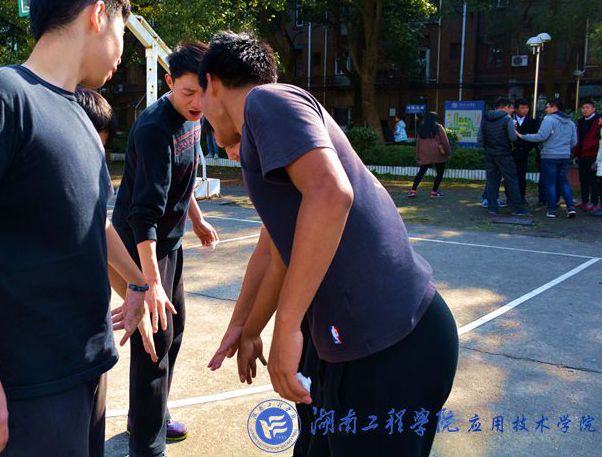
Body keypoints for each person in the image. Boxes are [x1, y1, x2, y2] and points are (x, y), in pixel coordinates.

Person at [0, 0, 159, 457]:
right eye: (122, 31)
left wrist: (137, 284)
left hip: (85, 367)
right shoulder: (0, 95)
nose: (122, 53)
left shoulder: (80, 114)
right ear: (98, 15)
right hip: (27, 384)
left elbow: (90, 222)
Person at [198, 32, 458, 456]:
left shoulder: (266, 101)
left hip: (392, 347)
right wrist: (247, 328)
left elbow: (332, 194)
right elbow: (276, 253)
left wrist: (286, 329)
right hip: (361, 348)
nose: (203, 123)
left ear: (212, 83)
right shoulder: (267, 140)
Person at [111, 41, 219, 457]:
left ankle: (149, 415)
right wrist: (148, 284)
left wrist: (197, 219)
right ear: (169, 82)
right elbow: (143, 214)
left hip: (168, 241)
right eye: (188, 92)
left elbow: (183, 178)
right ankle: (147, 445)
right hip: (140, 245)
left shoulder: (194, 119)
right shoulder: (155, 130)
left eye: (203, 93)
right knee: (154, 341)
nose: (197, 103)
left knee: (174, 333)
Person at [518, 99, 578, 219]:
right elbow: (574, 142)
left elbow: (541, 136)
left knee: (550, 183)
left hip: (550, 155)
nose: (545, 109)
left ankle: (552, 210)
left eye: (547, 107)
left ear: (554, 108)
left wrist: (522, 136)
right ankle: (571, 208)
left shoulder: (548, 119)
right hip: (565, 156)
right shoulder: (570, 122)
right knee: (563, 182)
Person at [477, 98, 529, 216]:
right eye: (511, 108)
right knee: (511, 180)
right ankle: (517, 208)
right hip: (504, 154)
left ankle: (492, 208)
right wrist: (514, 130)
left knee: (491, 181)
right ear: (505, 107)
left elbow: (480, 138)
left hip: (489, 154)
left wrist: (486, 149)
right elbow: (513, 138)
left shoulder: (485, 118)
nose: (512, 110)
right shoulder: (507, 119)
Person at [407, 112, 451, 198]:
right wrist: (448, 152)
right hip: (437, 153)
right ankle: (434, 192)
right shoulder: (438, 127)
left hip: (425, 154)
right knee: (439, 173)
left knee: (421, 172)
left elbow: (418, 143)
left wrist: (418, 155)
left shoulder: (422, 128)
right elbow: (444, 140)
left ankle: (413, 191)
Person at [573, 100, 601, 212]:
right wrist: (576, 154)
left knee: (593, 179)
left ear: (593, 109)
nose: (585, 110)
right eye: (583, 108)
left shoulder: (598, 120)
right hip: (581, 154)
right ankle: (584, 201)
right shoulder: (580, 121)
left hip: (593, 154)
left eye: (588, 107)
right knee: (583, 179)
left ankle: (594, 202)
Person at [511, 99, 538, 204]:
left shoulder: (532, 121)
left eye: (527, 108)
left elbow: (534, 136)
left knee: (522, 176)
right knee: (510, 176)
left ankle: (521, 197)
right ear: (516, 109)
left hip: (524, 152)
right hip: (511, 152)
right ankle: (510, 197)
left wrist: (527, 148)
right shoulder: (510, 119)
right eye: (522, 108)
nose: (525, 110)